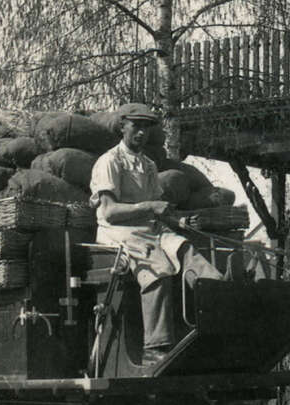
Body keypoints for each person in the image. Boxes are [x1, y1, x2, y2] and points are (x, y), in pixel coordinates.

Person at [89, 103, 223, 365]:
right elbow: (109, 212)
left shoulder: (148, 165)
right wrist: (150, 207)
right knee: (158, 268)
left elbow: (158, 210)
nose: (141, 133)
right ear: (122, 126)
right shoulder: (108, 162)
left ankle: (218, 305)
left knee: (186, 249)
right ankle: (155, 347)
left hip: (149, 229)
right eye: (136, 126)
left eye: (146, 128)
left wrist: (178, 219)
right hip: (118, 233)